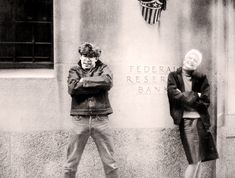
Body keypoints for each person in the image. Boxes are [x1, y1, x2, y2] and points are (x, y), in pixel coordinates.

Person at [64, 42, 119, 178]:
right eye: (84, 56)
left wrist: (84, 81)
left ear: (96, 58)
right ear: (81, 56)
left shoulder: (104, 68)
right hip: (80, 119)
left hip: (101, 119)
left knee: (110, 163)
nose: (86, 60)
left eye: (90, 57)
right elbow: (72, 89)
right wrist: (96, 84)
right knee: (71, 164)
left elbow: (107, 82)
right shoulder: (74, 70)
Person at [167, 49, 218, 178]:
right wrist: (196, 95)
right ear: (185, 58)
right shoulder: (173, 76)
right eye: (190, 58)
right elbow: (174, 95)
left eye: (195, 60)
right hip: (186, 122)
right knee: (194, 160)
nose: (191, 61)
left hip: (201, 122)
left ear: (196, 65)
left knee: (199, 160)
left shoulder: (201, 78)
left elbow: (206, 100)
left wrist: (187, 96)